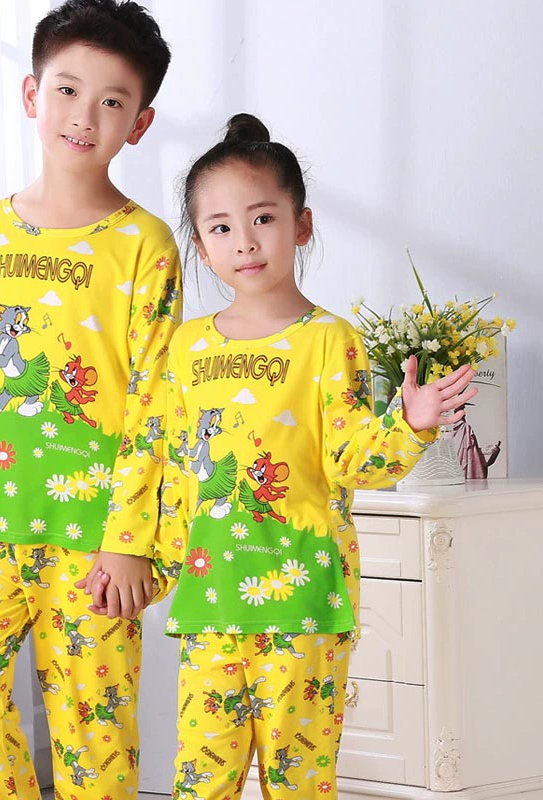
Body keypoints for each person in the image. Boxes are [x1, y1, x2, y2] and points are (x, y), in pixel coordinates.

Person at [150, 113, 478, 799]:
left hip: (305, 602)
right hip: (211, 600)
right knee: (200, 781)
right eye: (220, 228)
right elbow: (175, 469)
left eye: (263, 219)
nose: (245, 242)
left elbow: (353, 461)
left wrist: (410, 425)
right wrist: (149, 567)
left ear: (300, 225)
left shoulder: (332, 341)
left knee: (299, 782)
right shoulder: (186, 347)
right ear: (201, 247)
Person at [0, 2, 179, 796]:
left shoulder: (145, 244)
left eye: (111, 101)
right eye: (67, 90)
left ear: (139, 123)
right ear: (32, 94)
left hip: (95, 538)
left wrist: (130, 540)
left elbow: (157, 402)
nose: (84, 116)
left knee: (95, 732)